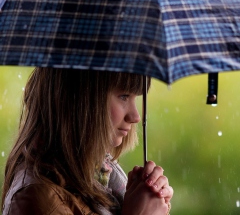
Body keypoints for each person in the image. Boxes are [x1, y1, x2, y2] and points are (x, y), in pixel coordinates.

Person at [1, 68, 173, 215]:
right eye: (123, 96)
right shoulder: (38, 200)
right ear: (79, 99)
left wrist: (149, 203)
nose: (135, 116)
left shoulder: (100, 177)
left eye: (135, 98)